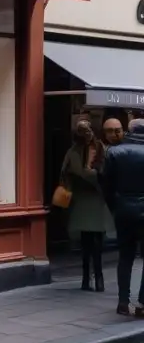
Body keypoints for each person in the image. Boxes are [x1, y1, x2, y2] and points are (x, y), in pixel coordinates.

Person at [99, 118, 144, 316]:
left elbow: (106, 185)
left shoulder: (114, 152)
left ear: (128, 131)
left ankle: (123, 302)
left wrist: (115, 207)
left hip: (123, 209)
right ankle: (142, 304)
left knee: (125, 257)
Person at [62, 121, 108, 292]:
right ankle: (88, 278)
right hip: (83, 198)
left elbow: (101, 171)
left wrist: (88, 172)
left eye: (88, 129)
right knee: (87, 241)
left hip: (95, 199)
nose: (86, 133)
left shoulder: (99, 148)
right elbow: (70, 172)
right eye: (82, 131)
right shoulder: (74, 151)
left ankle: (96, 278)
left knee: (95, 240)